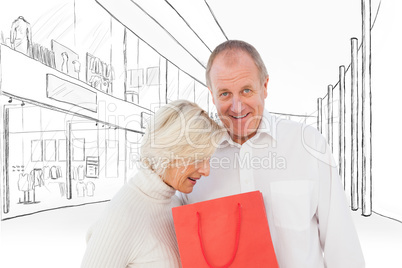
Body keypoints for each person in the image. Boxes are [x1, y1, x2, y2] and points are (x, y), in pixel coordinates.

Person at [181, 40, 365, 267]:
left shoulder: (307, 144)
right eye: (225, 94)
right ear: (212, 95)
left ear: (265, 86)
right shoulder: (197, 160)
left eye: (246, 90)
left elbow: (342, 246)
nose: (237, 106)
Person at [81, 100, 224, 268]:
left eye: (208, 159)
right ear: (170, 150)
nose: (206, 170)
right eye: (198, 158)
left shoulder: (176, 203)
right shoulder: (121, 218)